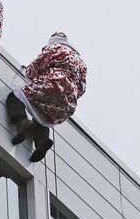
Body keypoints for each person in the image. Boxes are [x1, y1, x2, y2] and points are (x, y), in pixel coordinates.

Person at [6, 32, 86, 162]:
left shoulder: (55, 48)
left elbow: (35, 66)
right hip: (68, 103)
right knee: (44, 115)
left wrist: (30, 77)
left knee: (16, 96)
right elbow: (82, 89)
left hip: (51, 85)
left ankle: (22, 122)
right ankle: (42, 141)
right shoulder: (81, 63)